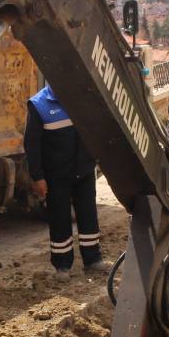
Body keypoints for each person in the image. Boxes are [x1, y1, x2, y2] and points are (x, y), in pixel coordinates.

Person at [24, 84, 108, 281]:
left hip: (84, 171)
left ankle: (93, 260)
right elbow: (32, 145)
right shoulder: (38, 105)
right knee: (60, 219)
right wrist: (38, 177)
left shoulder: (81, 97)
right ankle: (62, 266)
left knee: (88, 216)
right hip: (56, 177)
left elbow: (95, 129)